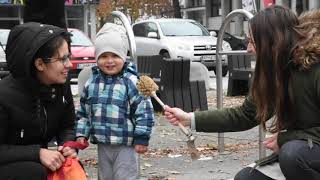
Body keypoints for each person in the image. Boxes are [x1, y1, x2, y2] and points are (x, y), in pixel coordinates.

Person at [165, 6, 320, 180]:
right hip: (302, 150)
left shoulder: (315, 69)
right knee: (245, 178)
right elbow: (245, 115)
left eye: (253, 42)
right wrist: (190, 119)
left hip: (301, 153)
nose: (248, 49)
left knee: (292, 155)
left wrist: (286, 139)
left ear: (273, 42)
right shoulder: (275, 71)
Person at [75, 23, 155, 180]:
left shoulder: (131, 82)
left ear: (123, 57)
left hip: (126, 143)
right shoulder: (91, 83)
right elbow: (84, 112)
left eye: (115, 56)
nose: (109, 61)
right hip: (103, 142)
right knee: (105, 176)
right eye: (104, 56)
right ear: (97, 58)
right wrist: (81, 133)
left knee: (125, 176)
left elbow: (144, 111)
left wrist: (142, 137)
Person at [0, 22, 77, 179]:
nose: (69, 64)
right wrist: (37, 153)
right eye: (63, 59)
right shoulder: (4, 96)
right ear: (40, 64)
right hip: (13, 166)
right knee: (33, 172)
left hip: (32, 162)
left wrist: (68, 144)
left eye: (69, 56)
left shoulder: (61, 86)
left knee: (71, 168)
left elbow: (68, 126)